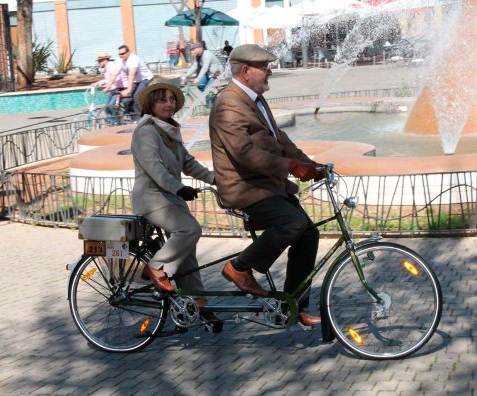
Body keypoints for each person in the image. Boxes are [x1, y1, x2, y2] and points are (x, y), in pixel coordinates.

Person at [209, 44, 324, 327]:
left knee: (308, 234)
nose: (270, 71)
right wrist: (291, 167)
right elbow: (243, 152)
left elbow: (279, 141)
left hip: (266, 186)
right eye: (265, 67)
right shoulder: (228, 103)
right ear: (246, 71)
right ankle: (239, 267)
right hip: (244, 188)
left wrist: (311, 164)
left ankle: (294, 306)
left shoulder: (255, 99)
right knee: (292, 223)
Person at [131, 77, 221, 324]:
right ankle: (156, 268)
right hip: (151, 198)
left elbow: (188, 162)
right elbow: (155, 168)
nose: (169, 104)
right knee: (189, 229)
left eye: (172, 100)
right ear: (151, 104)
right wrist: (179, 188)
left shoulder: (169, 129)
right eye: (162, 100)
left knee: (186, 252)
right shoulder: (146, 131)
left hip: (169, 199)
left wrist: (217, 178)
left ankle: (198, 304)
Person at [104, 45, 153, 117]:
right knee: (127, 99)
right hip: (135, 81)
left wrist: (129, 89)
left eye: (123, 53)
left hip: (145, 79)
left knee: (136, 96)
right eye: (119, 54)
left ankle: (142, 117)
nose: (121, 56)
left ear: (128, 52)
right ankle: (131, 115)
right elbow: (114, 74)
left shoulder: (133, 59)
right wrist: (107, 87)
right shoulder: (120, 60)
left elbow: (131, 74)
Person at [92, 51, 129, 124]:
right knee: (106, 108)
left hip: (121, 88)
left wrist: (108, 86)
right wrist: (98, 83)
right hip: (114, 89)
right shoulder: (106, 68)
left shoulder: (111, 66)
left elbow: (117, 78)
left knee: (111, 106)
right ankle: (113, 123)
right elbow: (107, 79)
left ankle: (118, 122)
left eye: (100, 61)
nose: (99, 63)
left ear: (105, 60)